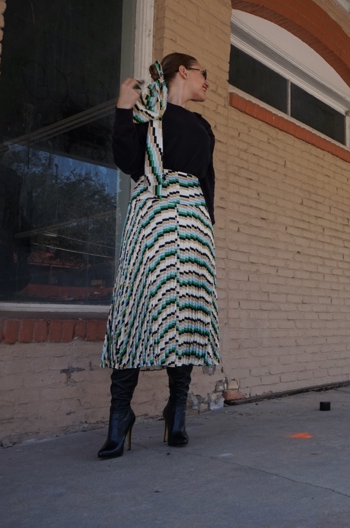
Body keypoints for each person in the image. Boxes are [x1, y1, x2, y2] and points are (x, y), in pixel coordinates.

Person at [98, 53, 220, 459]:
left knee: (186, 312)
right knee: (135, 305)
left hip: (194, 222)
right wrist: (122, 108)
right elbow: (129, 160)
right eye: (204, 74)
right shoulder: (150, 110)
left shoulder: (203, 126)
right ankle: (120, 415)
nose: (209, 82)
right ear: (183, 72)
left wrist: (206, 229)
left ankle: (176, 410)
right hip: (153, 211)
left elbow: (207, 182)